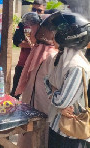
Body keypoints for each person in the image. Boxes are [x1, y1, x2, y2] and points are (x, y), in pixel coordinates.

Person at [44, 12, 90, 148]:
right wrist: (57, 99)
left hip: (72, 133)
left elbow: (62, 101)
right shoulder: (59, 59)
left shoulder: (76, 66)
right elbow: (46, 80)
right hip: (56, 126)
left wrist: (54, 93)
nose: (53, 36)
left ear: (67, 37)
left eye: (57, 32)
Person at [16, 12, 58, 148]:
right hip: (30, 107)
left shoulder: (52, 55)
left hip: (44, 110)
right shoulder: (36, 50)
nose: (29, 31)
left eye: (33, 28)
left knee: (41, 139)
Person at [10, 0, 46, 99]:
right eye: (34, 9)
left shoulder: (46, 25)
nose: (36, 13)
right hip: (23, 63)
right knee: (15, 94)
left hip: (39, 66)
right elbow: (17, 41)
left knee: (36, 96)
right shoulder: (24, 22)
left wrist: (34, 44)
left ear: (44, 10)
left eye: (39, 10)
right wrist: (34, 45)